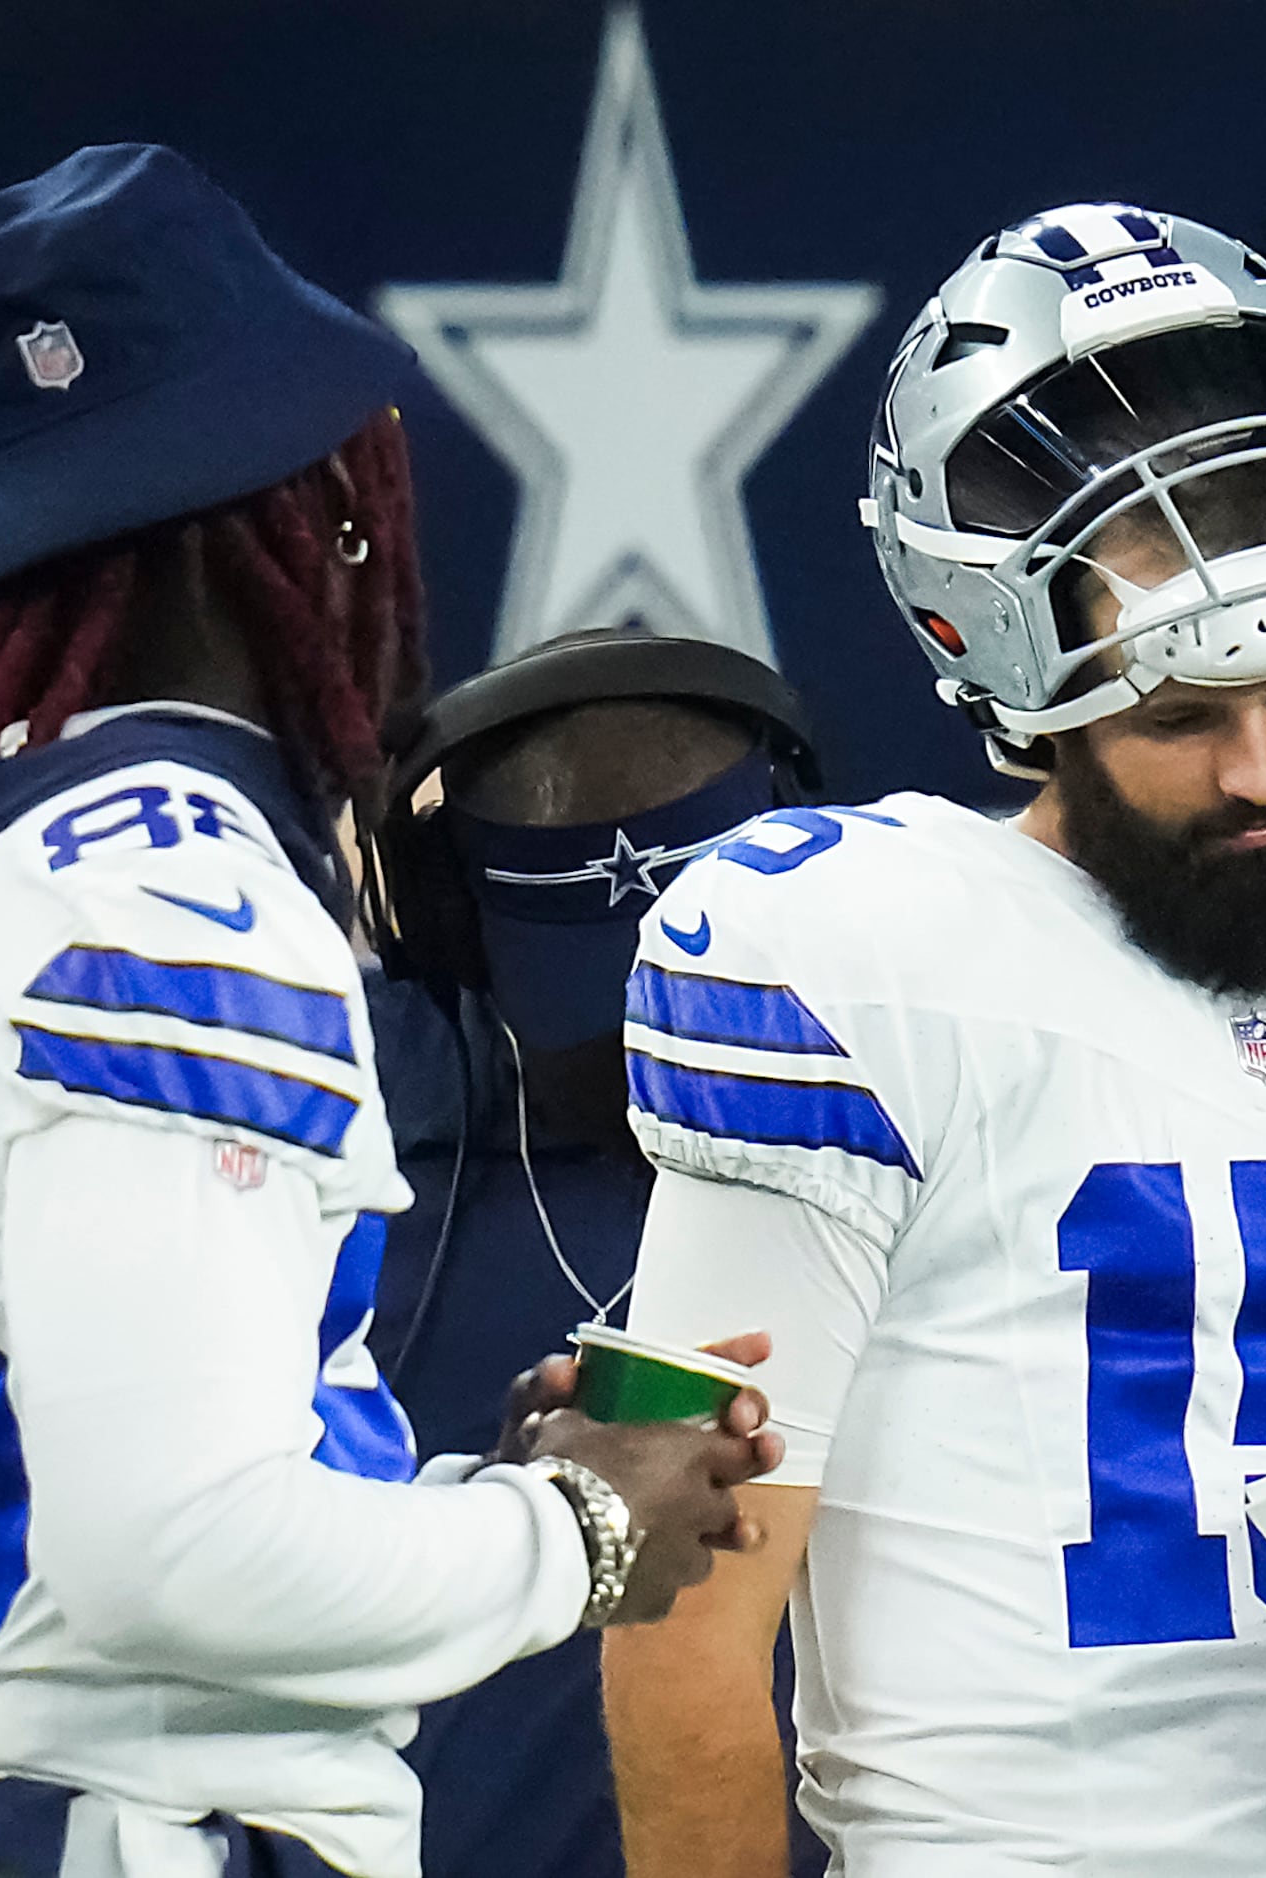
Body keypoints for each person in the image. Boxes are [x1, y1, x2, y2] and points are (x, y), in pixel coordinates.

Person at [0, 145, 776, 1878]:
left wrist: (470, 1496)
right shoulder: (175, 882)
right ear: (323, 508)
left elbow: (122, 1528)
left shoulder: (11, 865)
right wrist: (571, 1526)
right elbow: (175, 1554)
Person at [600, 202, 1266, 1876]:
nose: (1260, 771)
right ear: (1010, 678)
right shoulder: (839, 952)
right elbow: (675, 1608)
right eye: (1179, 715)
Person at [363, 627, 828, 1878]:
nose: (663, 1061)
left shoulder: (926, 1107)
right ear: (455, 939)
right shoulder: (329, 1160)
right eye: (604, 1024)